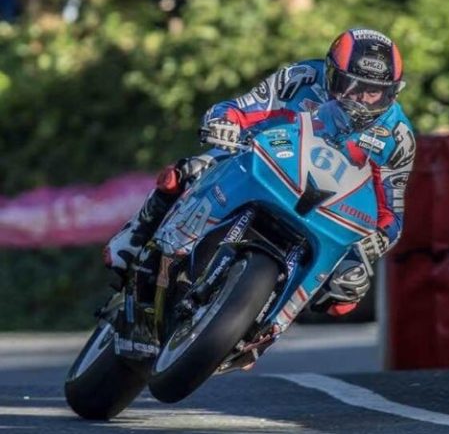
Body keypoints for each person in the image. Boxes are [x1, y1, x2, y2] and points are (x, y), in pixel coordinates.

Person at [104, 28, 416, 317]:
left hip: (324, 207)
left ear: (392, 92)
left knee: (345, 293)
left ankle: (265, 325)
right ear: (331, 73)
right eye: (351, 86)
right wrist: (224, 123)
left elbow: (392, 215)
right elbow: (241, 107)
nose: (360, 99)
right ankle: (135, 237)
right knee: (187, 171)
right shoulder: (302, 78)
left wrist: (365, 250)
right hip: (261, 160)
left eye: (374, 92)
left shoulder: (398, 136)